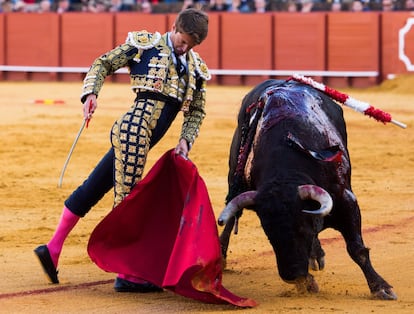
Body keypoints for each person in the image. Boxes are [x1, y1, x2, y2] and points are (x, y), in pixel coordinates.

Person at [34, 8, 210, 293]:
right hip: (133, 131)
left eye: (192, 44)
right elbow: (103, 63)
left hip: (144, 139)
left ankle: (52, 248)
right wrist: (91, 93)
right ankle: (127, 273)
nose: (185, 47)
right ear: (174, 26)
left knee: (94, 186)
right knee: (129, 202)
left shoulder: (195, 69)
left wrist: (185, 140)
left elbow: (197, 111)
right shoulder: (147, 45)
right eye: (183, 40)